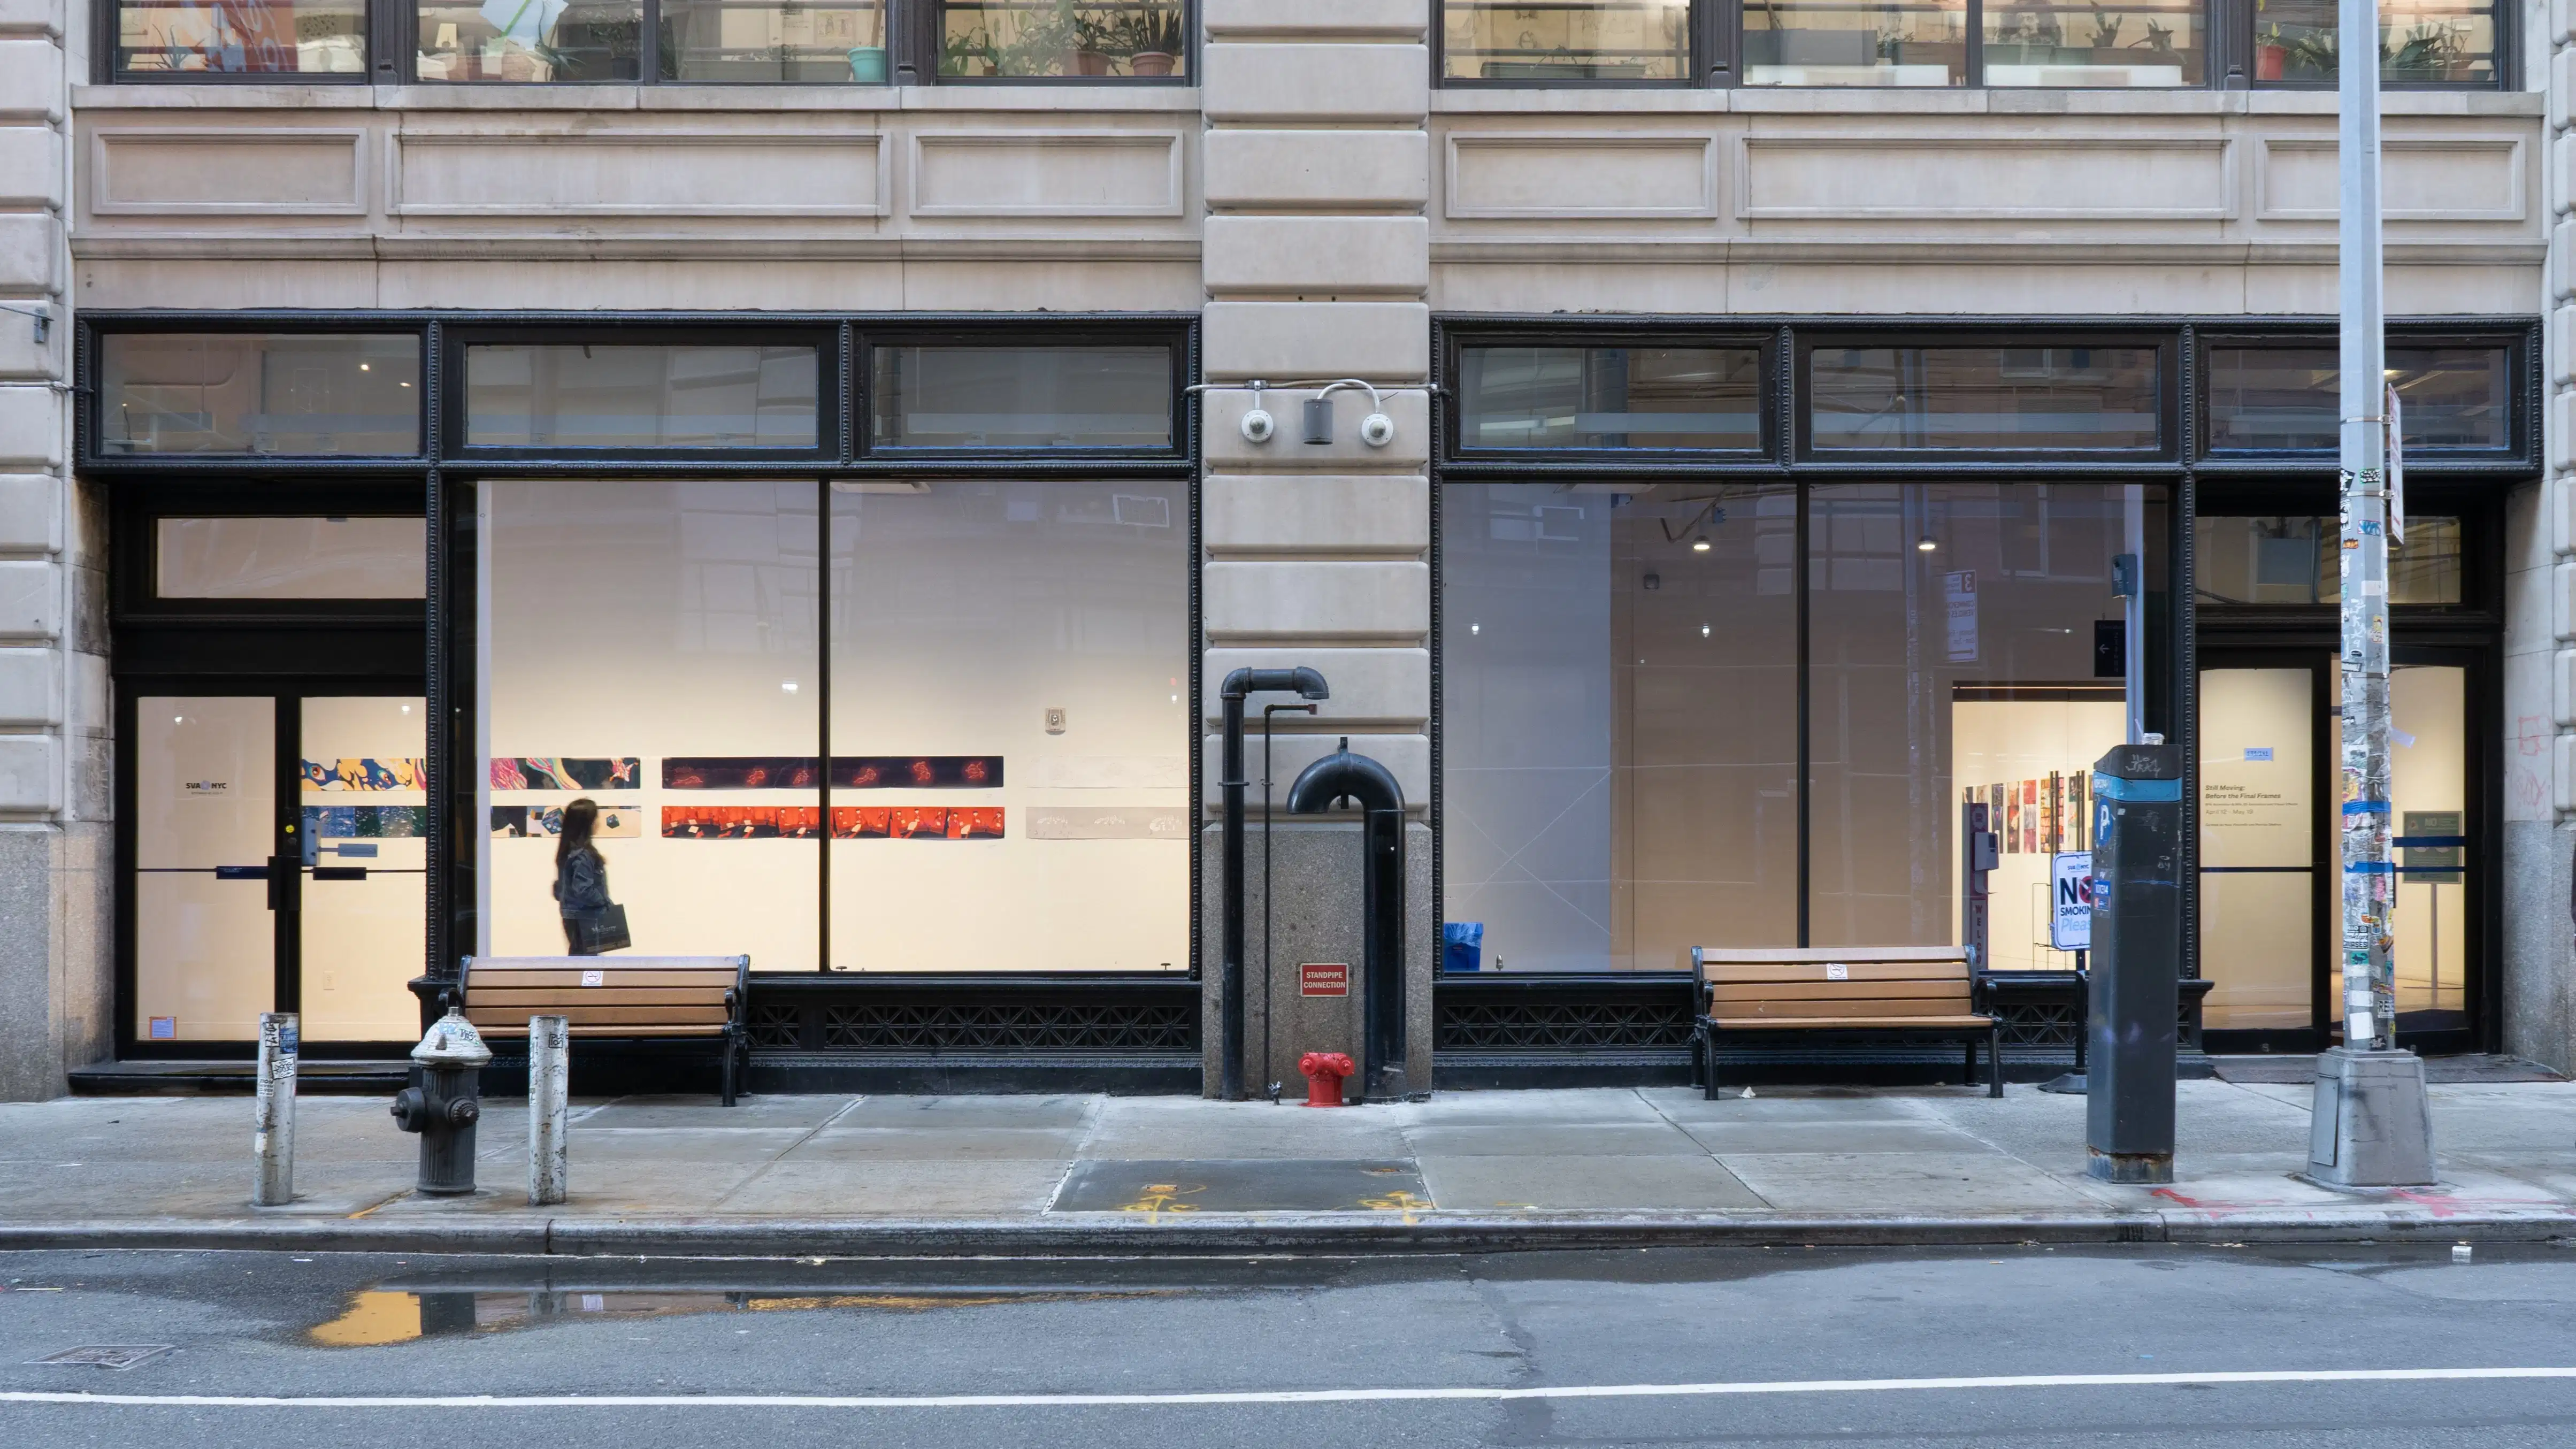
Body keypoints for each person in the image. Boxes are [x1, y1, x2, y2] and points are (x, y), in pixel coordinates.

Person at [553, 796, 612, 955]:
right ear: (587, 824)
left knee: (580, 961)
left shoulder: (567, 852)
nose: (598, 823)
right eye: (596, 819)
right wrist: (604, 902)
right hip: (585, 916)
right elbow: (584, 889)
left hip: (572, 915)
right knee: (587, 965)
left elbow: (560, 889)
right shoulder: (583, 855)